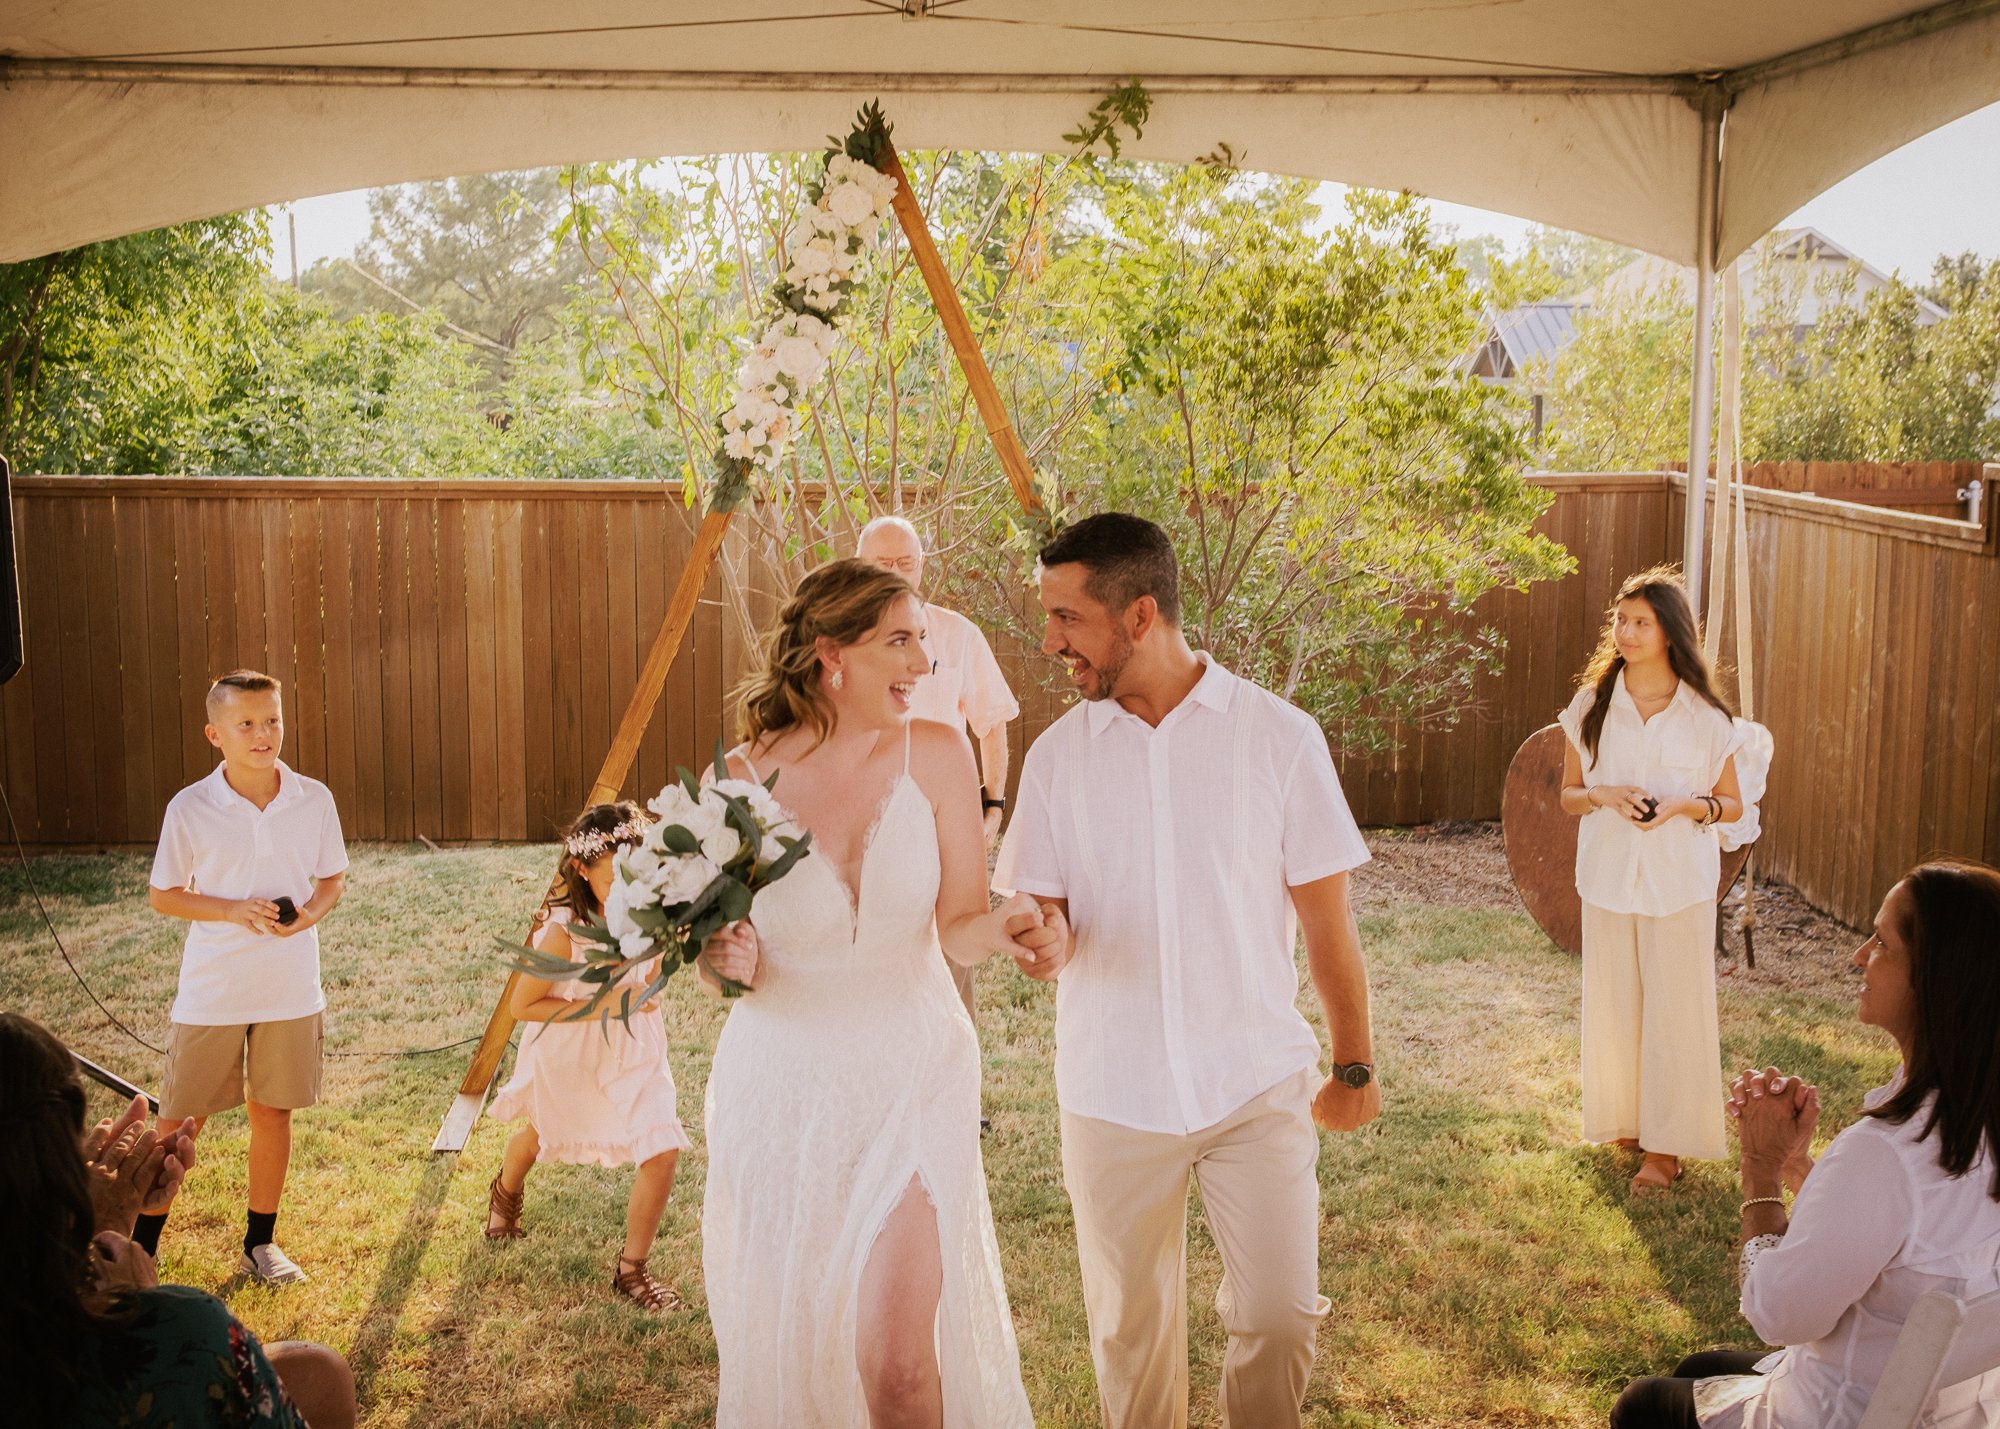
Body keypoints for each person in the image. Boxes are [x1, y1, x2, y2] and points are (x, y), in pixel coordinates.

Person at [993, 512, 1381, 1429]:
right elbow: (1048, 909)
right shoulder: (1057, 758)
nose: (1049, 642)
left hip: (1253, 1083)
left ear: (1139, 616)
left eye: (1066, 618)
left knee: (1280, 1317)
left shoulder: (1279, 738)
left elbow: (1327, 925)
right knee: (1132, 1340)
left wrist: (1353, 1064)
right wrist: (1047, 936)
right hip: (1112, 1092)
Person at [696, 558, 1047, 1427]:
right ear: (832, 655)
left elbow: (958, 922)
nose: (923, 663)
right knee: (805, 1338)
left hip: (914, 1070)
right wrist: (726, 957)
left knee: (897, 1365)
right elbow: (715, 954)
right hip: (785, 1089)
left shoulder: (939, 753)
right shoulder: (734, 783)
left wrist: (1002, 926)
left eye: (922, 640)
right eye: (900, 641)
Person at [1610, 859, 2000, 1427]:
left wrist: (1761, 1170)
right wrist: (1799, 1166)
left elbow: (1781, 1316)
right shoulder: (1975, 1124)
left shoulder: (1885, 1152)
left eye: (1881, 943)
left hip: (1848, 1412)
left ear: (1938, 977)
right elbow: (1906, 1235)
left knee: (1642, 1403)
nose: (1859, 955)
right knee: (1702, 1365)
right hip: (1951, 1410)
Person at [0, 1010, 355, 1429]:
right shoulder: (185, 1328)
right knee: (321, 1378)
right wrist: (138, 1307)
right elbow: (155, 1375)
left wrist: (99, 1227)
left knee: (317, 1374)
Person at [142, 670, 348, 1281]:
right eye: (247, 724)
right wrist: (232, 910)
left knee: (273, 1113)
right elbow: (164, 894)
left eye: (273, 720)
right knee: (180, 1122)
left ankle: (261, 1244)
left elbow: (332, 878)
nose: (264, 734)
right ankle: (140, 1248)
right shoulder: (190, 807)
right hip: (214, 990)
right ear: (216, 734)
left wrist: (307, 915)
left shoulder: (314, 798)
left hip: (289, 989)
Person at [1558, 569, 1743, 1194]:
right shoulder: (1591, 706)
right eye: (1621, 620)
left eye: (1641, 622)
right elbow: (1569, 795)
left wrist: (1683, 806)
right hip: (1607, 876)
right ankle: (1627, 1123)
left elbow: (1731, 805)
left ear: (1670, 633)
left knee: (1674, 1011)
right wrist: (1604, 794)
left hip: (1679, 883)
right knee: (1616, 1004)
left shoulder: (1706, 717)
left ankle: (1666, 1149)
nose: (1627, 632)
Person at [483, 801, 693, 1312]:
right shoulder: (564, 932)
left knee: (662, 1149)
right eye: (615, 880)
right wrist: (605, 1003)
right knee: (543, 1132)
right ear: (580, 868)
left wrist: (658, 969)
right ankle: (505, 1194)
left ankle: (632, 1270)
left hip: (634, 1048)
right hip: (571, 1051)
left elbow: (651, 981)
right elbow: (524, 1006)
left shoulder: (651, 912)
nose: (630, 891)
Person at [857, 515, 1022, 1024]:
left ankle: (953, 1064)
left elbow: (991, 722)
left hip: (943, 825)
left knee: (951, 972)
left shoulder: (958, 635)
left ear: (922, 564)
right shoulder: (838, 637)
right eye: (883, 563)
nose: (895, 572)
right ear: (858, 564)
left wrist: (992, 807)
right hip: (861, 825)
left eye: (905, 562)